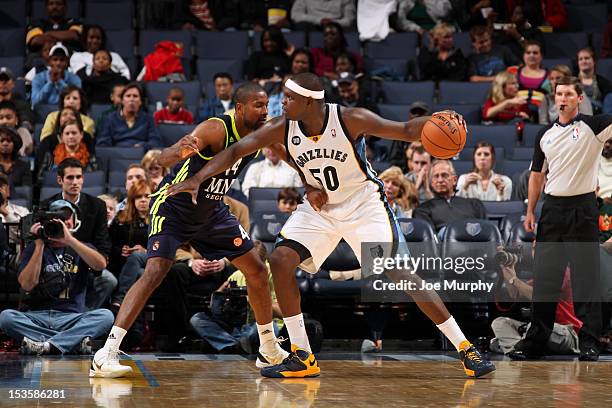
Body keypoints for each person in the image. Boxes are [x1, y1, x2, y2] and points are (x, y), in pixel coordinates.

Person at [165, 72, 495, 378]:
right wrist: (197, 177)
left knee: (399, 272)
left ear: (310, 101)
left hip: (364, 205)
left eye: (289, 97)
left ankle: (466, 349)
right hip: (320, 209)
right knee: (280, 260)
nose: (282, 103)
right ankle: (302, 355)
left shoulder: (350, 118)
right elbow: (237, 149)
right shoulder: (282, 127)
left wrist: (439, 120)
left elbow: (407, 130)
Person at [90, 83, 289, 378]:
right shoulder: (214, 129)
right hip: (175, 206)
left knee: (257, 270)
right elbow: (164, 158)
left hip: (212, 212)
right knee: (156, 270)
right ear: (239, 108)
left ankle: (268, 348)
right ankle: (107, 351)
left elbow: (281, 150)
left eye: (266, 106)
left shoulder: (262, 132)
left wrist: (308, 182)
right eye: (258, 106)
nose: (264, 112)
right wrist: (174, 150)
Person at [509, 76, 611, 361]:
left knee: (586, 279)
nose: (563, 99)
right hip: (552, 210)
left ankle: (590, 341)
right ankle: (535, 342)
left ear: (580, 98)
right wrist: (531, 210)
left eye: (568, 94)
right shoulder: (544, 134)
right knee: (545, 279)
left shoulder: (594, 125)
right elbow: (537, 174)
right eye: (559, 94)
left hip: (583, 210)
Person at [0, 199, 113, 355]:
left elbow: (100, 265)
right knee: (6, 318)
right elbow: (27, 285)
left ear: (74, 221)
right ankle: (71, 342)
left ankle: (45, 345)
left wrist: (70, 241)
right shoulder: (34, 247)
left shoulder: (82, 247)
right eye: (57, 217)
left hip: (71, 318)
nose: (63, 221)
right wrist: (39, 244)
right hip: (36, 316)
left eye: (66, 216)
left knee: (106, 316)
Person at [42, 158, 116, 311]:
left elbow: (102, 242)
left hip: (86, 259)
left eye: (78, 177)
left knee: (109, 280)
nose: (75, 182)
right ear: (60, 180)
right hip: (54, 259)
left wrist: (94, 262)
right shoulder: (46, 205)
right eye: (70, 177)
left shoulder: (97, 205)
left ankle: (84, 314)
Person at [190, 241, 283, 353]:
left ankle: (232, 344)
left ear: (262, 263)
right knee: (197, 319)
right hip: (238, 326)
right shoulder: (237, 275)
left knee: (268, 328)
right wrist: (220, 296)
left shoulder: (275, 274)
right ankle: (236, 346)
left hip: (259, 325)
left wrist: (254, 301)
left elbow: (283, 313)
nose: (247, 271)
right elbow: (213, 307)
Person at [490, 242, 581, 355]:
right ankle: (518, 349)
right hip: (542, 330)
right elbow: (516, 295)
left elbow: (539, 296)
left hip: (565, 332)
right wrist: (507, 269)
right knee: (499, 323)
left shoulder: (562, 271)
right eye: (534, 249)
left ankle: (514, 344)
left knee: (534, 328)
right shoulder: (540, 276)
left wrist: (514, 279)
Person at [108, 180, 152, 307]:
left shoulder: (159, 219)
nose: (143, 200)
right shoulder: (121, 219)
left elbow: (165, 246)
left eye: (147, 196)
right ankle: (136, 323)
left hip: (152, 261)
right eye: (138, 197)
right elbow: (109, 245)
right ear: (132, 199)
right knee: (138, 274)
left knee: (136, 257)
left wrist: (145, 252)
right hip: (125, 265)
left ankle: (119, 299)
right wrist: (120, 250)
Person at [413, 160, 487, 233]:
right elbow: (431, 239)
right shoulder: (422, 210)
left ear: (454, 180)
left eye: (444, 175)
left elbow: (487, 233)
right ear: (432, 183)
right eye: (436, 176)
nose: (440, 180)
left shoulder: (474, 204)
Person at [97, 83, 161, 149]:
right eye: (128, 96)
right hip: (117, 156)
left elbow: (156, 142)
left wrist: (143, 146)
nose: (131, 99)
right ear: (122, 100)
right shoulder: (109, 119)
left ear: (140, 101)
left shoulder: (148, 119)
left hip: (141, 155)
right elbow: (103, 144)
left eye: (135, 96)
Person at [31, 42, 82, 108]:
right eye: (55, 59)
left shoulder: (75, 79)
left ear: (67, 62)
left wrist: (59, 81)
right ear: (49, 62)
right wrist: (50, 83)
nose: (58, 63)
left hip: (66, 112)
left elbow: (76, 102)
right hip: (43, 113)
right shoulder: (38, 78)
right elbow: (35, 102)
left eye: (62, 60)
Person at [576, 47, 612, 114]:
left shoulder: (603, 82)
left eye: (587, 58)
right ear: (578, 63)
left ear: (594, 61)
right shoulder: (573, 81)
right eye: (580, 59)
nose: (583, 61)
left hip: (599, 113)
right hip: (579, 113)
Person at [0, 67, 35, 133]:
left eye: (6, 79)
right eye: (0, 80)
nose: (3, 82)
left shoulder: (23, 105)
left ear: (13, 84)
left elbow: (26, 122)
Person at [290, 0, 356, 31]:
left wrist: (332, 22)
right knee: (301, 25)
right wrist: (320, 21)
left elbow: (350, 20)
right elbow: (295, 15)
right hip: (313, 27)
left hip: (338, 28)